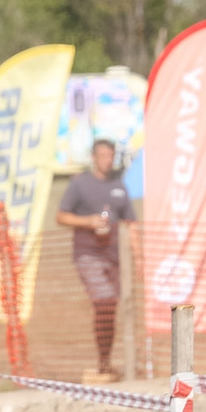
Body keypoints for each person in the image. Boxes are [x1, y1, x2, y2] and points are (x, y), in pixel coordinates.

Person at [55, 137, 136, 383]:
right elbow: (61, 216)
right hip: (88, 254)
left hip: (116, 256)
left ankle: (106, 362)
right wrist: (87, 222)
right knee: (104, 301)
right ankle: (104, 363)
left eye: (110, 156)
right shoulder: (80, 184)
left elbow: (130, 223)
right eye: (103, 156)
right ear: (94, 158)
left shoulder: (120, 186)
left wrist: (139, 258)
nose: (107, 161)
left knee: (111, 308)